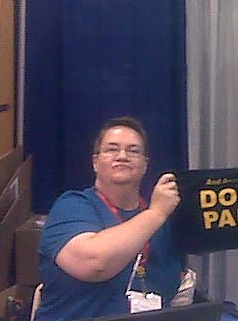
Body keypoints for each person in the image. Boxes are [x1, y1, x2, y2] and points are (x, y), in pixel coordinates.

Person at [35, 116, 183, 321]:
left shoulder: (162, 223)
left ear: (145, 164)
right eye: (112, 149)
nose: (122, 156)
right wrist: (156, 213)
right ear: (95, 162)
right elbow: (94, 263)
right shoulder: (71, 206)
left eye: (133, 151)